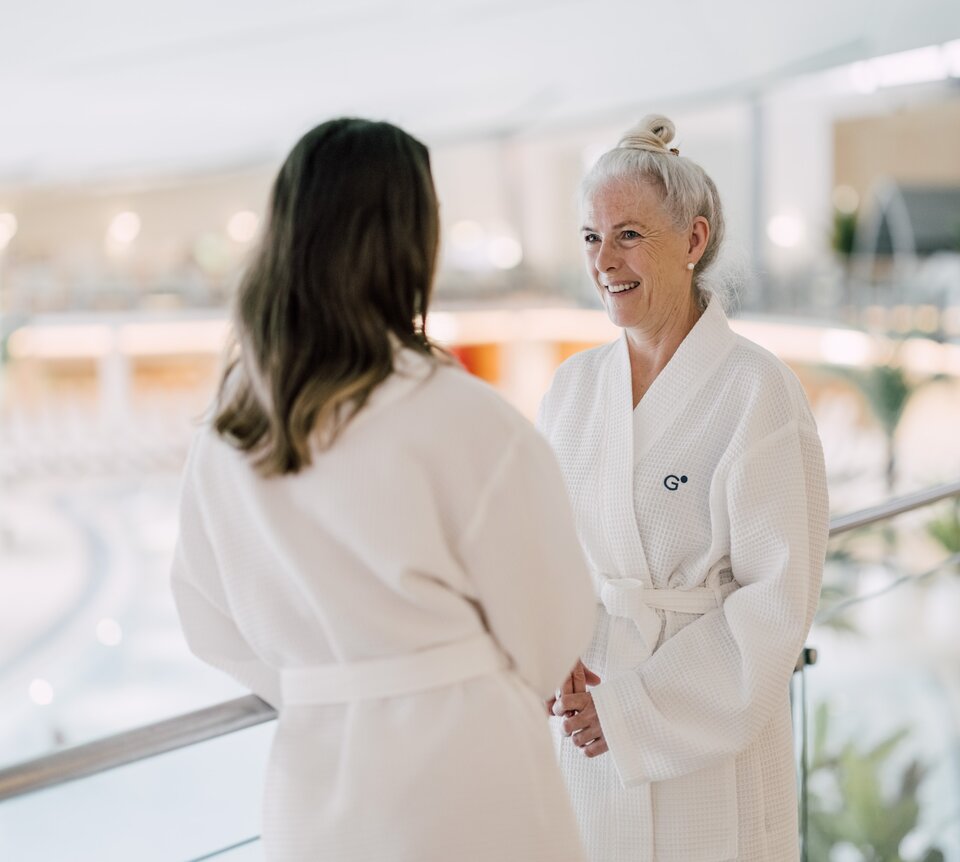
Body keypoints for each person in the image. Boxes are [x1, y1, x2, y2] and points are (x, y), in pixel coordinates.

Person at [170, 118, 595, 862]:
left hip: (315, 800)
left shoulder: (225, 438)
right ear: (408, 244)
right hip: (471, 784)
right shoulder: (464, 419)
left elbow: (208, 622)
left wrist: (330, 682)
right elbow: (555, 628)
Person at [538, 114, 829, 862]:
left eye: (629, 234)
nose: (604, 260)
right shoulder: (571, 389)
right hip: (584, 721)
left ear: (693, 241)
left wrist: (636, 712)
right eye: (591, 237)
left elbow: (778, 600)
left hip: (699, 728)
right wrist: (545, 643)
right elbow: (542, 550)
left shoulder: (756, 392)